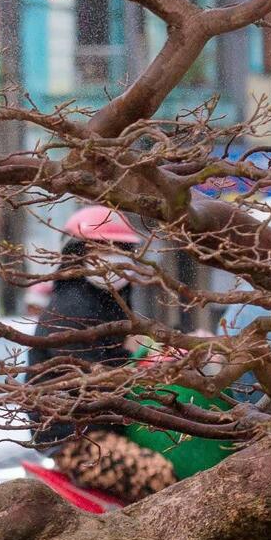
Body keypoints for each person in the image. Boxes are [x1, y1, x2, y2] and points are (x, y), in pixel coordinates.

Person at [27, 207, 177, 501]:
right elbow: (100, 377)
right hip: (77, 442)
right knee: (162, 475)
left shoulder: (108, 302)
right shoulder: (69, 310)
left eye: (120, 248)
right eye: (102, 249)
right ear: (77, 254)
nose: (113, 256)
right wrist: (146, 365)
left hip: (107, 431)